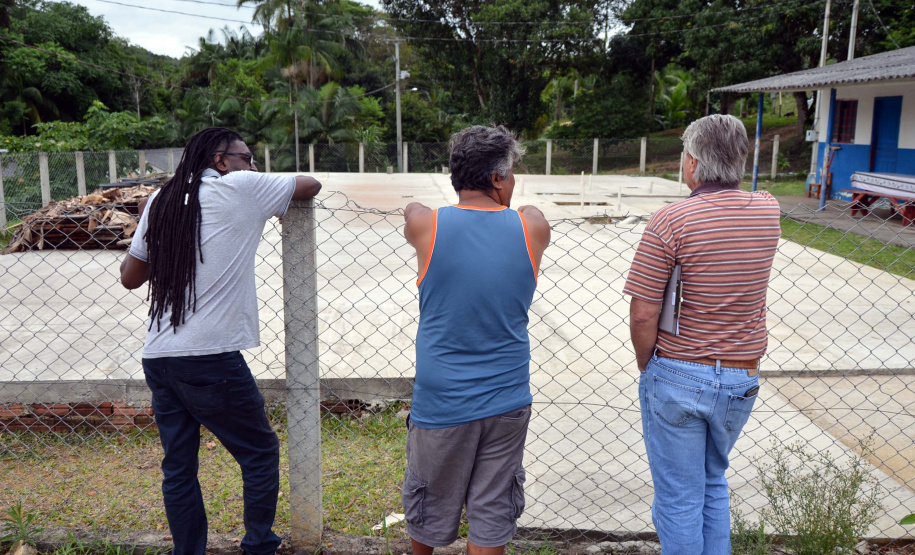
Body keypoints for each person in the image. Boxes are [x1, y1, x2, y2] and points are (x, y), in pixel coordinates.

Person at [119, 127, 321, 555]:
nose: (253, 166)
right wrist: (256, 187)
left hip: (160, 355)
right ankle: (259, 546)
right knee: (259, 452)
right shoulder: (242, 187)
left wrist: (173, 238)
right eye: (247, 158)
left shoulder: (162, 201)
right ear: (220, 160)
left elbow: (130, 277)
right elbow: (310, 185)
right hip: (209, 357)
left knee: (179, 467)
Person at [623, 114, 781, 554]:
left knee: (678, 496)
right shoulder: (767, 210)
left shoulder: (670, 221)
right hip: (740, 377)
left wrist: (647, 364)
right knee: (713, 481)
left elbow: (643, 312)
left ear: (692, 162)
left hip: (678, 373)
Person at [401, 125, 550, 555]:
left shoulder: (427, 225)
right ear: (498, 178)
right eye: (512, 173)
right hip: (506, 398)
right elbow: (530, 210)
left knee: (428, 505)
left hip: (442, 402)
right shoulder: (531, 228)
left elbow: (412, 208)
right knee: (491, 511)